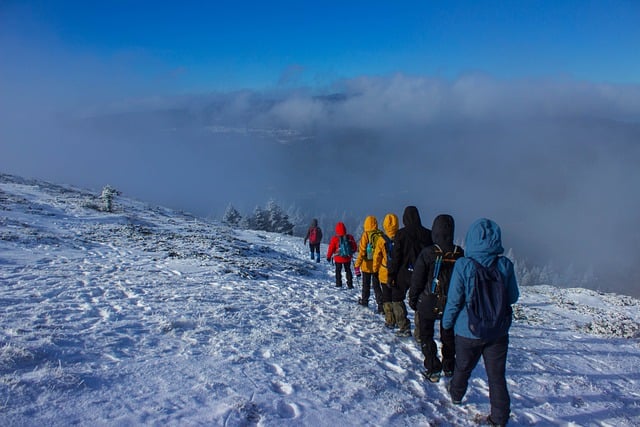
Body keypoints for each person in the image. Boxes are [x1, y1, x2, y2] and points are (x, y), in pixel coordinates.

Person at [442, 218, 519, 427]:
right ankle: (500, 418)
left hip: (468, 330)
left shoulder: (463, 265)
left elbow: (454, 300)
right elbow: (512, 297)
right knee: (497, 376)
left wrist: (447, 323)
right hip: (498, 331)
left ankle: (456, 394)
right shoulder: (505, 264)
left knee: (463, 366)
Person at [409, 214, 464, 381]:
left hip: (428, 301)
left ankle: (433, 367)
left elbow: (417, 279)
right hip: (451, 302)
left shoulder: (428, 253)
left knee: (426, 334)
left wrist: (413, 299)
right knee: (448, 335)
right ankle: (449, 366)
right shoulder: (459, 253)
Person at [387, 206, 432, 337]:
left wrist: (391, 274)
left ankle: (404, 326)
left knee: (396, 297)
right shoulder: (428, 234)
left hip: (403, 272)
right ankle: (420, 332)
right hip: (422, 273)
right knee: (420, 301)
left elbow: (396, 257)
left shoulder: (401, 234)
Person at [373, 213, 399, 328]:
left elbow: (377, 257)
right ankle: (400, 319)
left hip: (384, 272)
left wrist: (375, 270)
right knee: (396, 297)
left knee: (387, 296)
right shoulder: (400, 237)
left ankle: (390, 320)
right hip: (398, 273)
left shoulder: (381, 239)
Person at [354, 215, 384, 312]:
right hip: (377, 265)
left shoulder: (366, 235)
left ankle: (365, 301)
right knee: (377, 286)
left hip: (367, 265)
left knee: (365, 285)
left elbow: (362, 252)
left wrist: (357, 265)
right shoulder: (380, 234)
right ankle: (381, 305)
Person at [326, 222, 358, 288]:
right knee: (348, 270)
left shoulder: (335, 238)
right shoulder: (349, 237)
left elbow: (331, 248)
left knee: (338, 271)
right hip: (347, 257)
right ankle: (350, 284)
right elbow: (355, 247)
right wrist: (351, 252)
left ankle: (338, 284)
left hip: (338, 258)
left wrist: (329, 256)